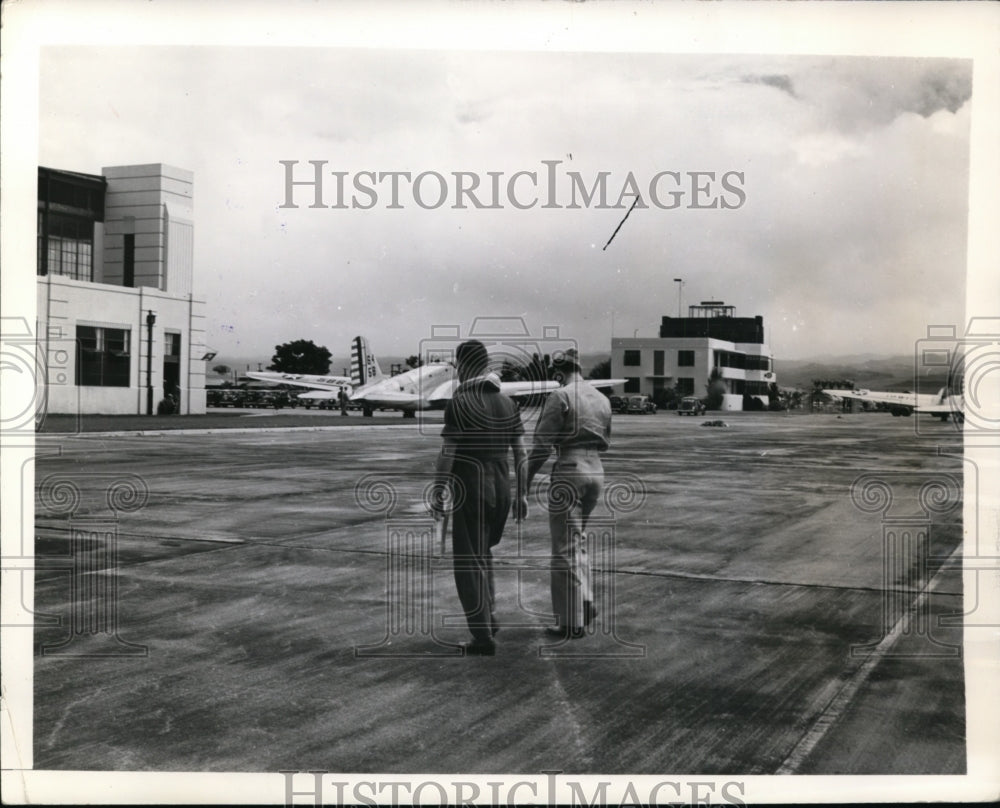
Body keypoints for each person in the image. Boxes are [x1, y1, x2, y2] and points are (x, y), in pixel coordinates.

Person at [432, 340, 527, 656]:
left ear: (463, 365)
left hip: (472, 487)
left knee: (468, 562)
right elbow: (521, 453)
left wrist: (438, 489)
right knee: (484, 554)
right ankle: (491, 616)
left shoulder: (459, 403)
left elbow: (448, 451)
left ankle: (482, 637)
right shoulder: (508, 403)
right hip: (501, 486)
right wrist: (522, 493)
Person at [526, 347, 612, 639]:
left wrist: (524, 483)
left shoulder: (560, 396)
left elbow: (540, 447)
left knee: (563, 547)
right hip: (596, 469)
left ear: (560, 372)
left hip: (569, 468)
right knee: (578, 542)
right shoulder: (601, 399)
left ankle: (571, 621)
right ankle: (584, 597)